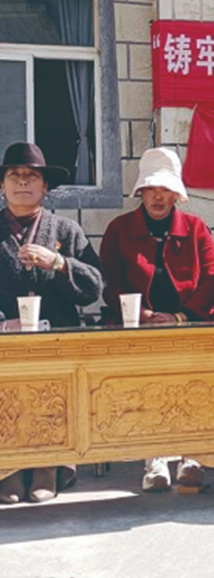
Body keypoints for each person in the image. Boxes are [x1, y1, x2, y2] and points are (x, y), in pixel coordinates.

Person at [100, 147, 214, 492]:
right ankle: (154, 458)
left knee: (194, 377)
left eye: (165, 189)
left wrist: (181, 316)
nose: (157, 196)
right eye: (150, 189)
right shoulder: (119, 229)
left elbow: (212, 280)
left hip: (189, 324)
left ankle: (191, 454)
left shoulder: (196, 229)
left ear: (176, 195)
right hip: (138, 327)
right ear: (140, 192)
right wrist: (140, 314)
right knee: (148, 377)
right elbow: (110, 285)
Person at [0, 142, 103, 504]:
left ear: (45, 187)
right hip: (5, 344)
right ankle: (10, 469)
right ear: (2, 186)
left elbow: (94, 288)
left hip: (57, 340)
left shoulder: (66, 230)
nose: (22, 182)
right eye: (14, 175)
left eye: (31, 176)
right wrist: (4, 325)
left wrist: (58, 263)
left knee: (51, 397)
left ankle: (49, 466)